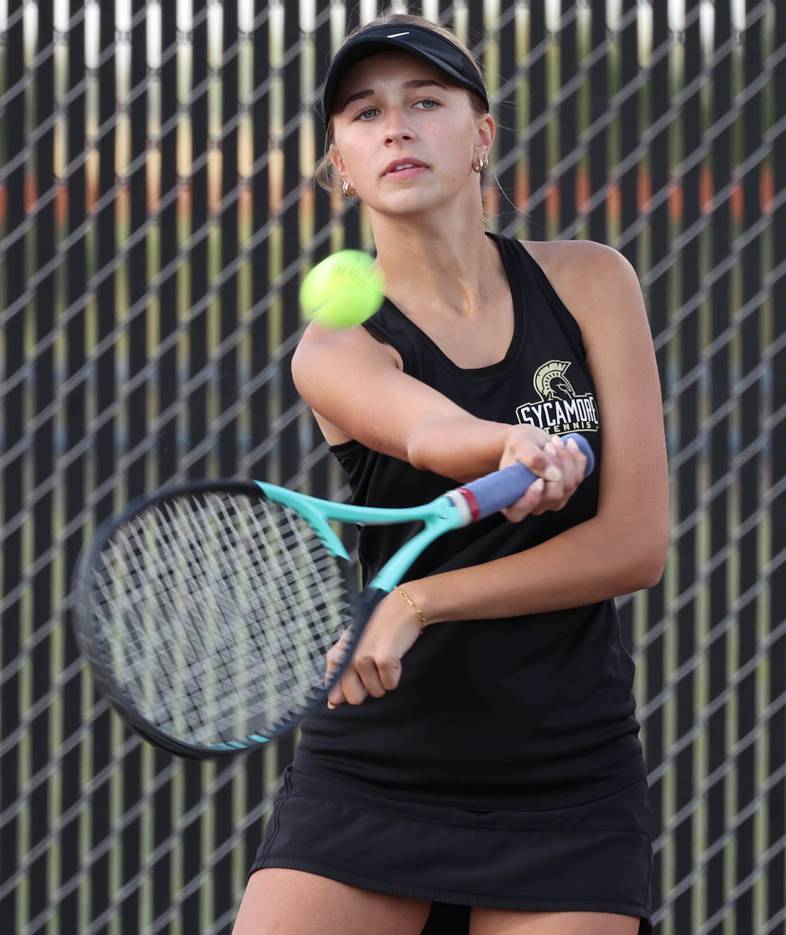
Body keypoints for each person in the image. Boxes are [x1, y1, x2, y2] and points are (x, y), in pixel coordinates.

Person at [234, 13, 668, 935]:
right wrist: (507, 445)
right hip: (377, 770)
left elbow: (633, 544)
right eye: (364, 112)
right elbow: (429, 432)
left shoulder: (592, 282)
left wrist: (419, 602)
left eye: (425, 101)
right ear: (339, 165)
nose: (396, 126)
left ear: (481, 137)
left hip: (567, 773)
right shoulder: (335, 344)